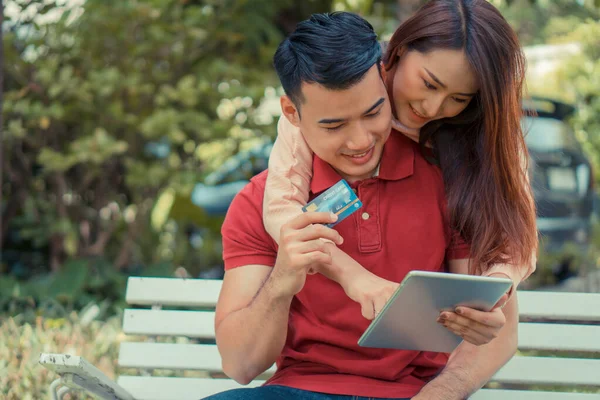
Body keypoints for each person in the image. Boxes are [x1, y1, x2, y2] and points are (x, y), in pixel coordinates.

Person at [209, 7, 529, 400]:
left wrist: (483, 313)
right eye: (333, 125)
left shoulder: (454, 185)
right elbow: (240, 365)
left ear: (383, 75)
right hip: (296, 390)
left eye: (373, 112)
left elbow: (495, 321)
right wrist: (281, 281)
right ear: (292, 114)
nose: (360, 141)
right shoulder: (263, 199)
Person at [263, 0, 538, 324]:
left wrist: (496, 287)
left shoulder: (481, 132)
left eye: (459, 98)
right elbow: (281, 209)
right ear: (399, 49)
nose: (434, 107)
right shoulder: (340, 86)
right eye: (429, 83)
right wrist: (353, 277)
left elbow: (518, 235)